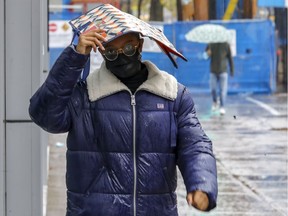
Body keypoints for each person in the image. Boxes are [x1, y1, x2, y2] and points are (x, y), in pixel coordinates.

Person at [29, 15, 218, 216]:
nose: (120, 56)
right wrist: (74, 57)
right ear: (100, 51)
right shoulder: (85, 95)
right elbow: (44, 115)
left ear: (140, 45)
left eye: (128, 48)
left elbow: (194, 144)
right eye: (111, 52)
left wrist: (202, 183)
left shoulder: (172, 95)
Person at [206, 42, 234, 115]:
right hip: (213, 71)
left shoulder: (226, 44)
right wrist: (208, 53)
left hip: (223, 71)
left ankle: (222, 106)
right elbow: (205, 56)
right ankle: (215, 102)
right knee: (213, 89)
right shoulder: (210, 44)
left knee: (222, 90)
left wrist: (232, 70)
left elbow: (230, 57)